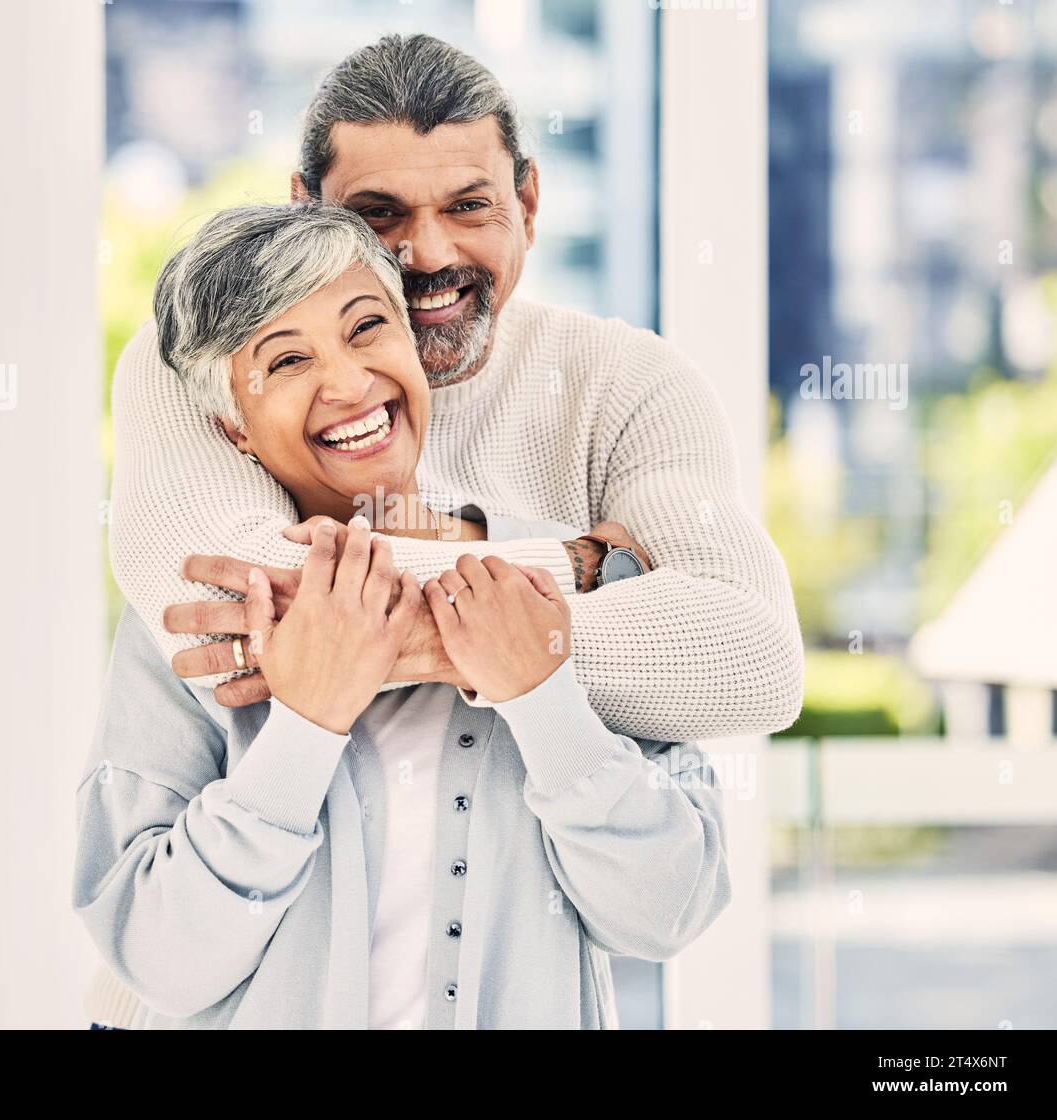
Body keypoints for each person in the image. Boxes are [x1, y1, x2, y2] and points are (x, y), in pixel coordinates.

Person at [72, 203, 731, 1029]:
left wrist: (542, 697)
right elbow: (161, 956)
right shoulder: (203, 617)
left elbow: (666, 913)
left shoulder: (562, 600)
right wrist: (305, 726)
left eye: (367, 328)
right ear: (232, 428)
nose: (348, 385)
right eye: (285, 361)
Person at [108, 33, 804, 746]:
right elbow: (218, 596)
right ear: (304, 209)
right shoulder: (198, 359)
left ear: (527, 203)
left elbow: (752, 662)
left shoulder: (630, 383)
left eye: (469, 206)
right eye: (379, 214)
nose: (430, 254)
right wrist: (584, 566)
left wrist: (427, 643)